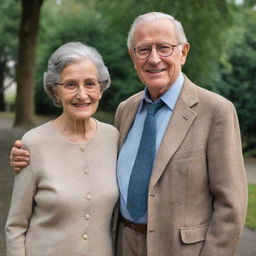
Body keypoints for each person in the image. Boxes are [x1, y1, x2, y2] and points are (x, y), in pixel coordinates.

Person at [10, 12, 248, 256]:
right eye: (143, 50)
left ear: (183, 52)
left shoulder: (216, 111)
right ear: (133, 57)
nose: (154, 59)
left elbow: (231, 205)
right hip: (124, 245)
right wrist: (29, 155)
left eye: (164, 48)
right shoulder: (127, 111)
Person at [6, 42, 119, 256]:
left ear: (101, 88)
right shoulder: (33, 143)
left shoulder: (114, 138)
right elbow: (16, 226)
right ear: (55, 92)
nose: (82, 94)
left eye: (90, 84)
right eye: (70, 85)